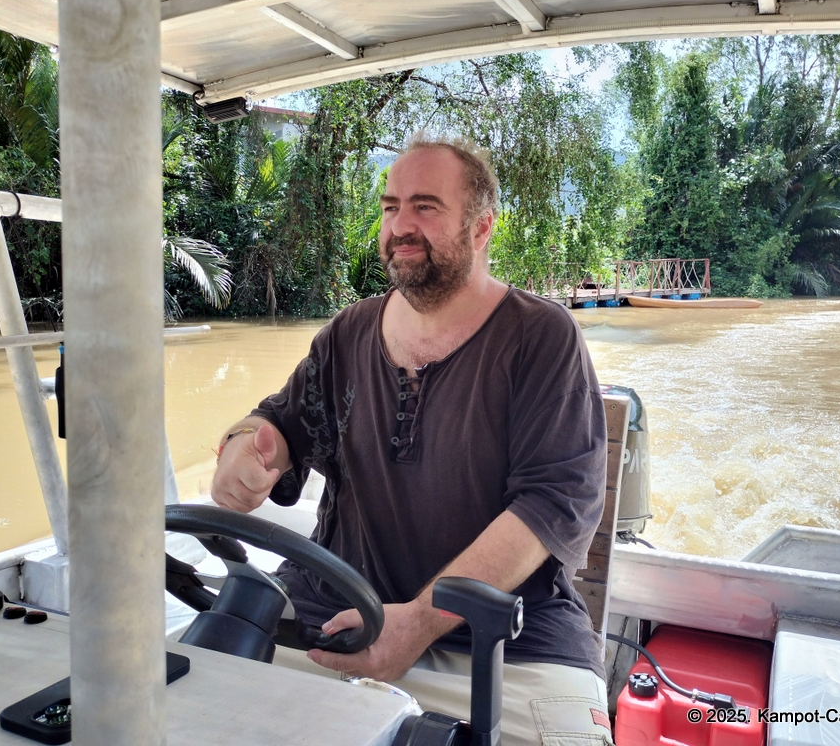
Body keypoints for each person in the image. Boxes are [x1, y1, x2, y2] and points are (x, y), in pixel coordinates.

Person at [211, 135, 613, 745]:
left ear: (482, 228)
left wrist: (418, 624)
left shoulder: (542, 337)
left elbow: (552, 504)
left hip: (506, 644)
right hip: (331, 619)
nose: (400, 224)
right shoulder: (347, 333)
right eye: (389, 205)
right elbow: (281, 424)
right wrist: (246, 446)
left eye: (425, 206)